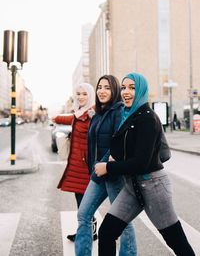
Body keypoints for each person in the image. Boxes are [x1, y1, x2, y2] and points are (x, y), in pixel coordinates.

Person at [95, 72, 195, 256]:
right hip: (132, 187)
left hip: (154, 186)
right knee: (107, 232)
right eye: (124, 87)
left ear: (141, 90)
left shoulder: (148, 118)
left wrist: (108, 167)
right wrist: (115, 158)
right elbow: (124, 148)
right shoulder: (129, 116)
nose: (126, 92)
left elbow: (141, 163)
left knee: (176, 242)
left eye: (132, 88)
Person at [75, 75, 137, 256]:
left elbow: (118, 144)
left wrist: (103, 165)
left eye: (107, 88)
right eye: (99, 87)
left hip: (114, 175)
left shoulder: (119, 111)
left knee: (122, 220)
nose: (102, 91)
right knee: (83, 214)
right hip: (98, 174)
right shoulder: (98, 113)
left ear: (115, 91)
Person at [54, 82, 97, 242]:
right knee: (82, 203)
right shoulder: (80, 113)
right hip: (77, 167)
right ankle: (88, 231)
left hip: (86, 167)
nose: (80, 97)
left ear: (90, 95)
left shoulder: (92, 114)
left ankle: (87, 234)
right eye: (78, 94)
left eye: (84, 94)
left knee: (85, 205)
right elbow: (68, 119)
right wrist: (54, 117)